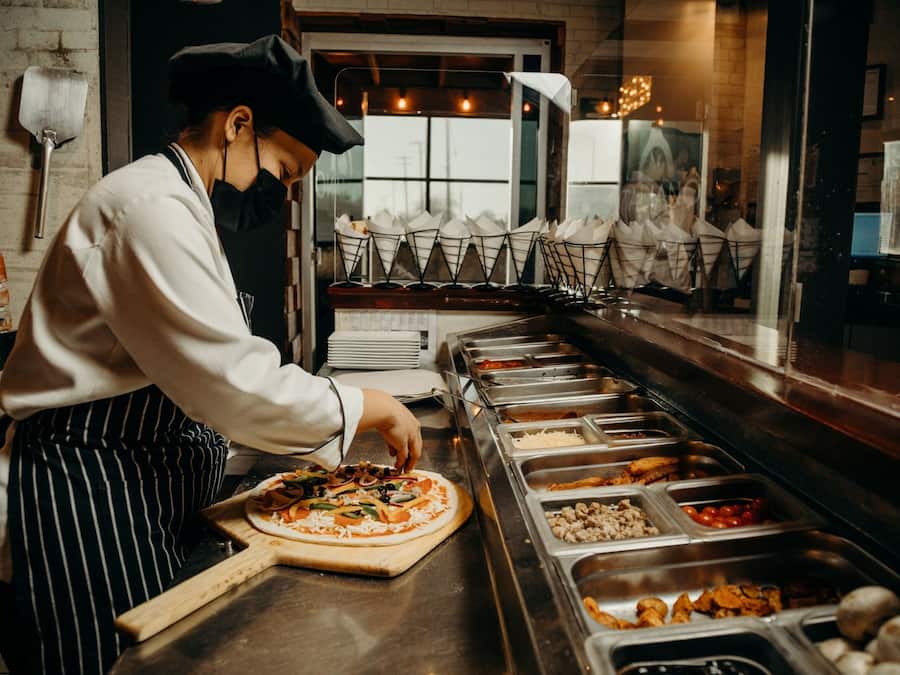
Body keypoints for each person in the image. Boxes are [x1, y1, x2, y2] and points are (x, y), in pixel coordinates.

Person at [0, 35, 422, 675]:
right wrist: (371, 405)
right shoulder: (147, 208)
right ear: (239, 125)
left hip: (134, 484)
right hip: (82, 485)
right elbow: (233, 384)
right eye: (284, 173)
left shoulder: (182, 206)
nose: (281, 195)